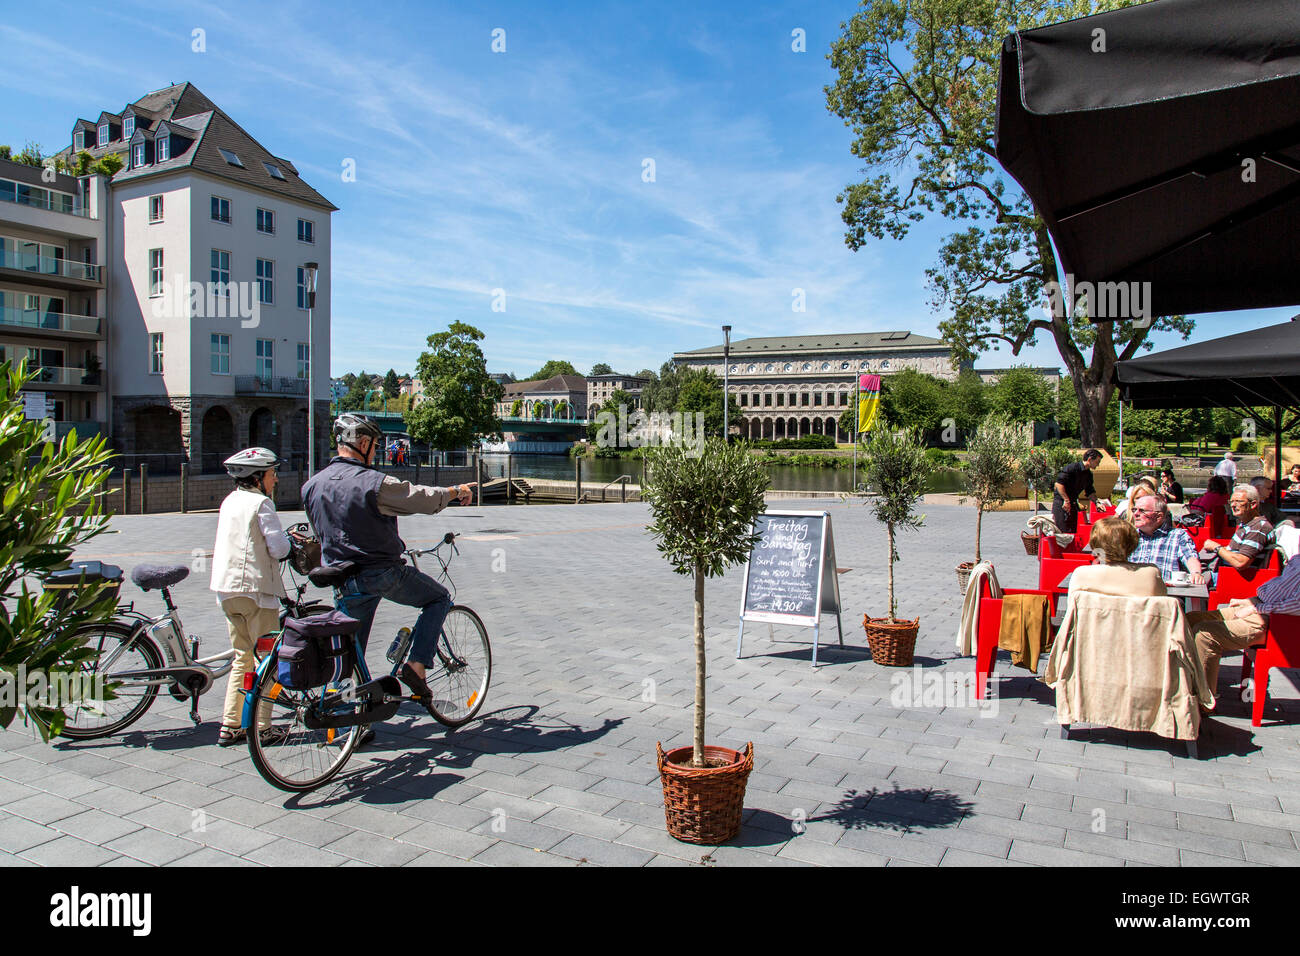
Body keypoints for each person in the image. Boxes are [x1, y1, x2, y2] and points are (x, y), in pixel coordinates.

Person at [301, 414, 475, 743]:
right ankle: (418, 665)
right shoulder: (373, 482)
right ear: (363, 444)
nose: (377, 451)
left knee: (350, 653)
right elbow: (418, 497)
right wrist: (455, 490)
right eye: (375, 445)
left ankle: (348, 722)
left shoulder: (311, 486)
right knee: (438, 598)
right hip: (379, 572)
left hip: (341, 579)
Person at [210, 447, 296, 747]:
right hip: (256, 592)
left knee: (241, 658)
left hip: (227, 590)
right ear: (258, 478)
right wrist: (290, 540)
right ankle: (262, 727)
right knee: (267, 659)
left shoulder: (229, 501)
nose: (275, 480)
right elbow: (279, 549)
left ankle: (231, 724)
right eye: (272, 474)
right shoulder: (262, 504)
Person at [1187, 542, 1300, 706]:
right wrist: (1250, 601)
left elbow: (1296, 605)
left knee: (1205, 634)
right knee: (1190, 620)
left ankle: (1203, 702)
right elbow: (1281, 589)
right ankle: (1185, 684)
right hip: (1259, 607)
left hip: (1275, 622)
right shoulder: (1297, 559)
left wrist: (1257, 608)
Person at [1067, 517, 1166, 598]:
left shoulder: (1082, 574)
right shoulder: (1150, 574)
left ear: (1093, 543)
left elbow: (1074, 611)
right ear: (1133, 543)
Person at [1201, 484, 1276, 579]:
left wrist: (1216, 547)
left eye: (1238, 501)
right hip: (1227, 573)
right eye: (1231, 501)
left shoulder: (1258, 528)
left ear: (1253, 504)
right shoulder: (1247, 524)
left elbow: (1241, 562)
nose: (1233, 505)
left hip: (1233, 578)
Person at [1128, 495, 1205, 586]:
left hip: (1165, 595)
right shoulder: (1129, 536)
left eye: (1142, 511)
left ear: (1159, 516)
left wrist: (1196, 573)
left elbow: (1190, 557)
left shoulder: (1177, 536)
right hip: (1132, 593)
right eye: (1134, 510)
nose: (1136, 514)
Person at [1052, 448, 1102, 533]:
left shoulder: (1088, 474)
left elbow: (1090, 491)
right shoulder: (1072, 468)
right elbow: (1059, 484)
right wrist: (1066, 500)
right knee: (1062, 532)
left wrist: (1097, 503)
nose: (1097, 465)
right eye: (1097, 462)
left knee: (1073, 532)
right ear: (1089, 459)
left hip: (1073, 503)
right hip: (1062, 503)